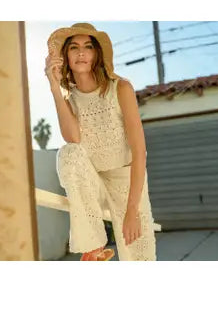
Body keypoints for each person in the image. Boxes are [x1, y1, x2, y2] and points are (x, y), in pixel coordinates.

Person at [44, 22, 157, 261]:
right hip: (93, 182)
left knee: (141, 260)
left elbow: (140, 152)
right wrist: (55, 87)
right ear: (65, 57)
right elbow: (73, 139)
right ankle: (94, 246)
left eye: (88, 46)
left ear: (96, 54)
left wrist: (132, 211)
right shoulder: (69, 98)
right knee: (69, 154)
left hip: (127, 185)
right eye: (74, 47)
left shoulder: (121, 88)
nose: (81, 52)